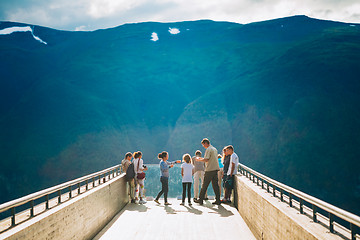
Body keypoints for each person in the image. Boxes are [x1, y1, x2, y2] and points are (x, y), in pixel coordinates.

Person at [194, 138, 221, 205]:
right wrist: (201, 159)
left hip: (209, 169)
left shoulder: (208, 149)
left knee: (204, 185)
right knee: (215, 186)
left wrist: (198, 160)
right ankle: (218, 200)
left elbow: (206, 159)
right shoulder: (214, 149)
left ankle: (200, 200)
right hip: (215, 169)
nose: (203, 146)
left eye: (203, 145)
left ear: (206, 143)